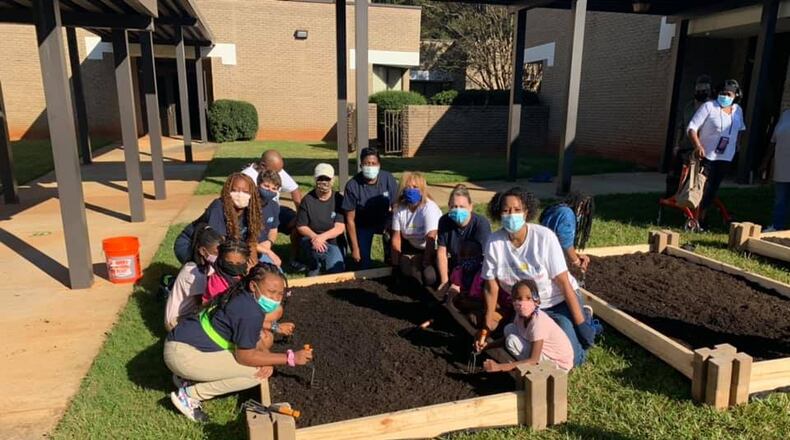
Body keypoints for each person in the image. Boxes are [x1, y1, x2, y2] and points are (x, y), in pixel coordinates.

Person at [165, 264, 313, 422]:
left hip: (182, 342)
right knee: (256, 374)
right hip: (182, 355)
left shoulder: (242, 295)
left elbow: (254, 337)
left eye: (280, 294)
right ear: (253, 286)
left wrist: (267, 357)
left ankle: (188, 377)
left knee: (263, 347)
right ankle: (188, 395)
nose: (275, 299)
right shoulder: (250, 313)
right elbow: (245, 357)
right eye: (271, 292)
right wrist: (290, 358)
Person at [481, 187, 595, 367]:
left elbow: (564, 284)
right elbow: (491, 285)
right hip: (526, 308)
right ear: (499, 213)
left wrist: (581, 325)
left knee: (574, 359)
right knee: (521, 342)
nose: (512, 215)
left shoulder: (544, 238)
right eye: (506, 210)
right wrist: (487, 321)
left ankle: (584, 317)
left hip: (558, 302)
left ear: (527, 212)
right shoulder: (494, 242)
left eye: (517, 210)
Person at [174, 173, 280, 266]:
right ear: (227, 191)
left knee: (268, 268)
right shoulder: (218, 206)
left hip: (230, 247)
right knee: (219, 269)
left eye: (245, 191)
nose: (240, 195)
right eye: (235, 190)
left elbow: (251, 241)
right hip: (194, 245)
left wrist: (256, 263)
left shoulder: (252, 210)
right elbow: (218, 245)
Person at [478, 279, 574, 373]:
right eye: (518, 299)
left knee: (512, 341)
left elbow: (534, 360)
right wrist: (488, 346)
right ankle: (522, 364)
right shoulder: (520, 316)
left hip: (558, 365)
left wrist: (499, 367)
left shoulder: (538, 323)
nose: (522, 303)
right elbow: (506, 337)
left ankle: (534, 371)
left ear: (537, 301)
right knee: (509, 329)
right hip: (546, 354)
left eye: (528, 298)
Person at [687, 79, 746, 227]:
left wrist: (737, 143)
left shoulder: (738, 110)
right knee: (702, 188)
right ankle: (696, 218)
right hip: (707, 156)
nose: (725, 96)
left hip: (725, 157)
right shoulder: (709, 107)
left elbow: (740, 129)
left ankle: (702, 216)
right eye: (722, 93)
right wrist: (698, 146)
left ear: (736, 95)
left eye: (728, 94)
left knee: (713, 188)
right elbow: (692, 128)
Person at [242, 150, 303, 268]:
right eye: (266, 186)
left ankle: (293, 259)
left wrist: (300, 215)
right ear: (263, 166)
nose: (279, 174)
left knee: (299, 223)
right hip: (254, 214)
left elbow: (294, 189)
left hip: (274, 210)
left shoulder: (275, 171)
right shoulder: (247, 177)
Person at [343, 147, 399, 269]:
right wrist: (355, 248)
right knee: (363, 264)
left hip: (385, 221)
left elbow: (396, 207)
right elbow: (350, 220)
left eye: (373, 163)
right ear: (361, 165)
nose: (370, 166)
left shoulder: (388, 178)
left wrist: (393, 227)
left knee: (394, 257)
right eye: (366, 163)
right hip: (362, 225)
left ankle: (391, 262)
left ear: (379, 165)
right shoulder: (352, 185)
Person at [165, 225, 223, 332]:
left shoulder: (204, 266)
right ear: (203, 251)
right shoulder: (194, 274)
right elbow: (202, 304)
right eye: (216, 253)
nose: (219, 256)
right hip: (175, 322)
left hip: (188, 313)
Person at [436, 184, 492, 294]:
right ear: (449, 206)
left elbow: (485, 258)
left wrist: (461, 282)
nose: (457, 210)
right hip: (456, 265)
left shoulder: (481, 224)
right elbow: (442, 252)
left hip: (476, 269)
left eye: (462, 206)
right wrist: (444, 281)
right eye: (454, 206)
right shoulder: (444, 221)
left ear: (471, 207)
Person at [391, 172, 442, 287]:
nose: (411, 190)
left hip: (432, 248)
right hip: (413, 247)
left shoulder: (429, 208)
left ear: (422, 190)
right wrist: (395, 266)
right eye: (407, 187)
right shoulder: (399, 209)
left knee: (429, 277)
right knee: (407, 272)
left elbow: (431, 237)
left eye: (415, 187)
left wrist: (426, 262)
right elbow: (396, 238)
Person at [295, 163, 346, 276]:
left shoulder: (339, 199)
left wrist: (322, 238)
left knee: (337, 271)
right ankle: (314, 264)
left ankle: (324, 260)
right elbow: (301, 226)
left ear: (332, 180)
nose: (323, 182)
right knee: (313, 273)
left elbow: (339, 227)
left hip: (333, 241)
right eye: (320, 178)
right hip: (311, 240)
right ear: (315, 179)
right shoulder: (307, 200)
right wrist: (315, 238)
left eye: (327, 179)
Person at [666, 75, 712, 196]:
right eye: (699, 90)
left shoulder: (712, 108)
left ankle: (692, 203)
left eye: (704, 90)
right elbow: (681, 127)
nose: (701, 92)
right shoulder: (689, 106)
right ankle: (672, 196)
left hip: (701, 149)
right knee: (675, 176)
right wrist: (677, 145)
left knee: (695, 180)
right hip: (685, 147)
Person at [539, 192, 594, 272]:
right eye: (584, 210)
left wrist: (576, 255)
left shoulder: (558, 209)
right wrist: (576, 261)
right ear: (580, 205)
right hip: (549, 261)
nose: (584, 213)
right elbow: (565, 242)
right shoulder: (567, 215)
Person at [762, 108, 790, 232]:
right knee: (780, 199)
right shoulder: (785, 114)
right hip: (782, 165)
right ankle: (777, 226)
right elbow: (774, 140)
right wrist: (766, 161)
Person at [446, 240, 486, 315]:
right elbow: (454, 288)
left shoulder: (483, 276)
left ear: (481, 258)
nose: (467, 258)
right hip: (463, 301)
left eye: (471, 256)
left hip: (479, 304)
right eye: (463, 255)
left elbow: (485, 301)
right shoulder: (457, 271)